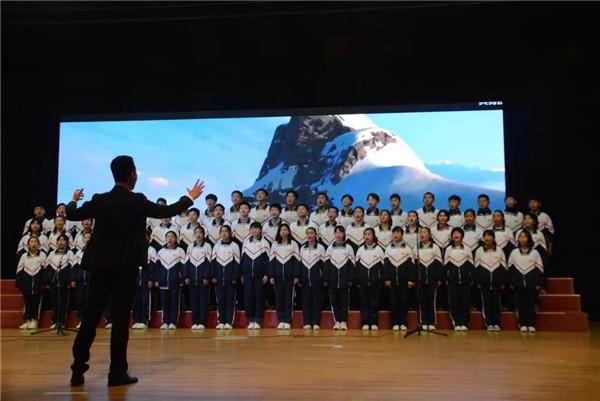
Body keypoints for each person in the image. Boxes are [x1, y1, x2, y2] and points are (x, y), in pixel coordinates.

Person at [66, 155, 202, 387]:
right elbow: (166, 211)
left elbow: (71, 214)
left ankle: (78, 370)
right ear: (132, 174)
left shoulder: (100, 199)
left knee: (90, 318)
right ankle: (117, 373)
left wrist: (73, 200)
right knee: (120, 321)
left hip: (100, 267)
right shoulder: (137, 200)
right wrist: (189, 197)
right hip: (125, 268)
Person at [508, 230, 544, 333]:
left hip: (531, 284)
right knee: (520, 304)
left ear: (529, 239)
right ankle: (522, 324)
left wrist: (538, 283)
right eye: (520, 237)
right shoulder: (514, 252)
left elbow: (539, 269)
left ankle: (531, 324)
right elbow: (510, 268)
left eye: (524, 237)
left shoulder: (535, 252)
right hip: (518, 284)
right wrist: (512, 282)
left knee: (531, 304)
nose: (522, 239)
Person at [474, 230, 508, 331]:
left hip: (497, 282)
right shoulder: (479, 250)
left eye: (489, 236)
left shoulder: (499, 250)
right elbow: (476, 267)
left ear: (493, 238)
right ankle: (488, 323)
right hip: (484, 283)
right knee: (486, 303)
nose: (487, 238)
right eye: (485, 236)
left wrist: (503, 281)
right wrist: (478, 281)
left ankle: (496, 323)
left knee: (496, 303)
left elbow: (503, 266)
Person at [383, 227, 416, 331]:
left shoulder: (407, 249)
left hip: (404, 281)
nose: (395, 235)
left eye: (398, 233)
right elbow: (386, 265)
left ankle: (403, 322)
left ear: (402, 235)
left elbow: (411, 266)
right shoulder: (388, 249)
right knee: (393, 302)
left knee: (404, 302)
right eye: (394, 233)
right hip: (392, 281)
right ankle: (394, 323)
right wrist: (386, 278)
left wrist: (411, 279)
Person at [268, 224, 300, 330]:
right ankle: (280, 320)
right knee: (279, 299)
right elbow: (271, 261)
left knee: (288, 299)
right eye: (281, 230)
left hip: (289, 277)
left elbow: (297, 261)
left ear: (289, 232)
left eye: (285, 229)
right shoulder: (275, 244)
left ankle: (288, 320)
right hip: (277, 277)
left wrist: (296, 275)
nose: (283, 231)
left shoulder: (293, 244)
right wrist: (271, 275)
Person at [153, 231, 186, 330]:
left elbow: (183, 267)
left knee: (175, 303)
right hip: (163, 281)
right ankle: (165, 322)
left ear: (176, 239)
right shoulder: (161, 251)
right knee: (164, 303)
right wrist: (157, 279)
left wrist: (182, 280)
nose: (170, 239)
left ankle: (173, 322)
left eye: (172, 237)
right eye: (168, 237)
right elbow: (157, 268)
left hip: (175, 281)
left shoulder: (180, 251)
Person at [324, 226, 355, 330]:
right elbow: (326, 265)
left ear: (344, 234)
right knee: (334, 302)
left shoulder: (349, 248)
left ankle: (344, 321)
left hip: (344, 281)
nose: (338, 234)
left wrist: (350, 279)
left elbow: (352, 265)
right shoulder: (330, 248)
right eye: (336, 232)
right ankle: (337, 321)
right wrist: (326, 278)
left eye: (340, 232)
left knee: (344, 302)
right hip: (332, 281)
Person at [443, 228, 474, 332]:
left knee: (465, 302)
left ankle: (464, 323)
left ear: (462, 236)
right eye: (454, 233)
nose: (456, 235)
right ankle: (456, 322)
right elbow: (446, 266)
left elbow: (471, 266)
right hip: (453, 281)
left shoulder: (467, 249)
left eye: (458, 233)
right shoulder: (448, 249)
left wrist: (471, 278)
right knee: (454, 302)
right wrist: (447, 278)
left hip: (465, 281)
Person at [182, 226, 212, 330]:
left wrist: (206, 276)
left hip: (203, 280)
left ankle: (202, 322)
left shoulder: (207, 246)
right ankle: (195, 321)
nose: (198, 234)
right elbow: (186, 263)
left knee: (203, 301)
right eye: (196, 232)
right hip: (192, 279)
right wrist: (186, 276)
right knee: (194, 301)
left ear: (204, 235)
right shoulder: (190, 246)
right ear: (194, 235)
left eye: (200, 232)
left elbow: (208, 263)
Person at [240, 222, 270, 329]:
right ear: (250, 230)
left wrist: (266, 274)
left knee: (259, 297)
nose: (255, 231)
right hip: (247, 275)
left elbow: (268, 261)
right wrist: (242, 274)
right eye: (253, 229)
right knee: (248, 297)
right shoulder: (246, 243)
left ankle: (258, 319)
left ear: (260, 230)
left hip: (260, 276)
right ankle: (250, 319)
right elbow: (243, 260)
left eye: (257, 229)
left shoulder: (265, 243)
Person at [210, 225, 240, 330]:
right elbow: (213, 263)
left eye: (226, 231)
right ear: (219, 233)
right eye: (222, 231)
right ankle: (221, 321)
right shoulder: (216, 246)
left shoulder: (235, 246)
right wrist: (213, 276)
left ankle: (229, 321)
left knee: (230, 301)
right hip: (218, 279)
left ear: (230, 233)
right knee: (220, 301)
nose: (224, 233)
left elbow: (237, 263)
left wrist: (235, 277)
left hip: (230, 279)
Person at [43, 234, 75, 329]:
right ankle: (54, 321)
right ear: (56, 242)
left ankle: (62, 322)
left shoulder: (70, 253)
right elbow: (47, 268)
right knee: (54, 303)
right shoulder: (52, 253)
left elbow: (72, 268)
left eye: (63, 240)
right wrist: (47, 282)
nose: (61, 242)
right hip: (54, 283)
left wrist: (70, 280)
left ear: (67, 242)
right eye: (59, 240)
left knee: (63, 303)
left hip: (65, 283)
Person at [355, 228, 384, 331]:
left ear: (373, 236)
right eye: (365, 234)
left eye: (369, 234)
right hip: (363, 282)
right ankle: (365, 323)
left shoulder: (379, 249)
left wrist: (381, 281)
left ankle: (374, 322)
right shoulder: (360, 249)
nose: (367, 236)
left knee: (374, 303)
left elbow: (382, 267)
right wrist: (358, 279)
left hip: (375, 281)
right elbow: (357, 267)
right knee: (363, 303)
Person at [15, 236, 46, 330]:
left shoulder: (42, 255)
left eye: (35, 242)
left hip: (38, 283)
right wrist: (19, 283)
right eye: (31, 242)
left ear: (39, 244)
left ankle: (34, 320)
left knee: (36, 302)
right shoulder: (24, 256)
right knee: (27, 302)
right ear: (28, 245)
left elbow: (45, 270)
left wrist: (44, 282)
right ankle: (27, 320)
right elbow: (19, 269)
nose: (34, 243)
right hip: (27, 283)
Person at [415, 227, 443, 330]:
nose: (422, 234)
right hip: (420, 279)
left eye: (425, 232)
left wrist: (439, 278)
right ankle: (423, 321)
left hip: (432, 279)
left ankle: (431, 322)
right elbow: (414, 264)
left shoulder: (435, 247)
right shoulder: (416, 247)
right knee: (422, 301)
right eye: (421, 232)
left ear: (429, 235)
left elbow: (439, 264)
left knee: (431, 301)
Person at [299, 227, 326, 330]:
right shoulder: (302, 248)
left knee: (316, 302)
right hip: (305, 279)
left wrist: (323, 278)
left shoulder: (320, 248)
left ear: (315, 235)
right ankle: (307, 322)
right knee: (305, 301)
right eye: (308, 233)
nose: (309, 235)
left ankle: (316, 322)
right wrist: (299, 277)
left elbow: (323, 265)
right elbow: (300, 264)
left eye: (311, 233)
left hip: (316, 280)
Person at [131, 234, 156, 330]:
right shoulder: (134, 249)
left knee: (145, 300)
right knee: (136, 300)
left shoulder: (151, 250)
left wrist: (151, 279)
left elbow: (153, 266)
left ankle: (144, 320)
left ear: (149, 238)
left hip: (146, 277)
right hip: (136, 277)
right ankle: (136, 320)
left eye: (145, 237)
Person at [71, 231, 93, 328]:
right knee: (80, 300)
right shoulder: (79, 252)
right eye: (85, 237)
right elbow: (74, 267)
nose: (87, 239)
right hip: (80, 282)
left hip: (91, 282)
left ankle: (89, 321)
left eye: (89, 237)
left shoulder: (95, 252)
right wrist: (73, 279)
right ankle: (81, 320)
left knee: (89, 301)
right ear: (83, 239)